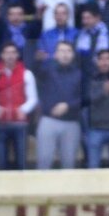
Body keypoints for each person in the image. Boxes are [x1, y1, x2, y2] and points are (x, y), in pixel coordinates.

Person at [0, 42, 38, 170]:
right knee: (1, 162)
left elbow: (33, 98)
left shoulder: (27, 74)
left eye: (13, 52)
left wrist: (23, 110)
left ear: (17, 55)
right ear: (2, 55)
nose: (10, 56)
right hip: (1, 123)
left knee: (21, 163)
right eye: (7, 53)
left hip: (20, 123)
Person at [34, 41, 84, 169]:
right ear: (55, 54)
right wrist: (38, 61)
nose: (65, 54)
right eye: (61, 51)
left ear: (73, 54)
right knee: (44, 163)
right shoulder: (46, 71)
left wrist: (68, 106)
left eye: (68, 51)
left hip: (71, 123)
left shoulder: (79, 74)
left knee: (69, 165)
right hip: (48, 121)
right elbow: (34, 71)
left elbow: (85, 98)